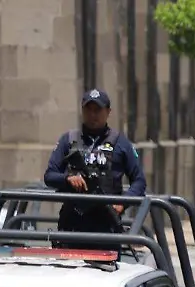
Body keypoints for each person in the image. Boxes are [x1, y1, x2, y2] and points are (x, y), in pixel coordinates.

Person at [44, 89, 146, 238]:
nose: (93, 115)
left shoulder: (121, 142)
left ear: (108, 112)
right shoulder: (69, 139)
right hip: (72, 223)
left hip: (106, 224)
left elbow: (139, 181)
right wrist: (68, 179)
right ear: (82, 110)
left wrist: (122, 204)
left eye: (98, 110)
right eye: (88, 110)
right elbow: (49, 176)